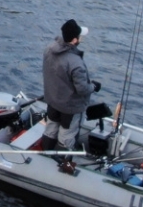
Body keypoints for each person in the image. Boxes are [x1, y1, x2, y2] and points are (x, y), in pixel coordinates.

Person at [41, 19, 100, 168]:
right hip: (70, 107)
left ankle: (44, 154)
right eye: (80, 36)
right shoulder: (75, 62)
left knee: (51, 129)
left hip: (53, 101)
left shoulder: (49, 49)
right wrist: (93, 87)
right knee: (66, 136)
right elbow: (82, 89)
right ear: (74, 40)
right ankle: (59, 164)